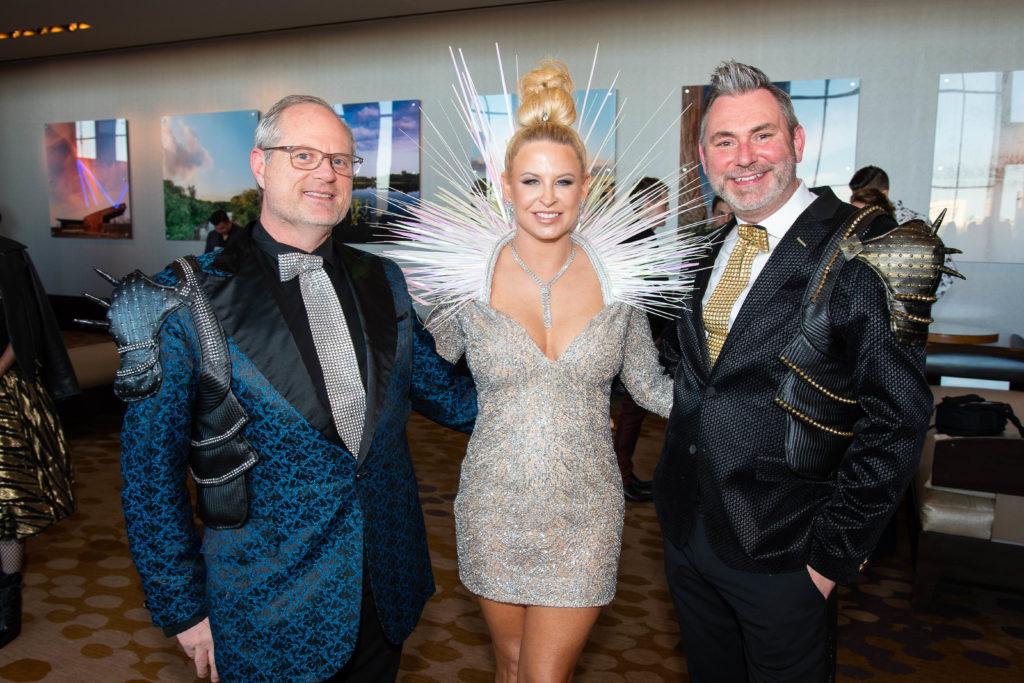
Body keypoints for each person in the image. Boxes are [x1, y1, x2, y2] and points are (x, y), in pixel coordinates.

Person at [113, 95, 477, 683]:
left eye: (340, 160)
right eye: (304, 154)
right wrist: (182, 606)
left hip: (384, 584)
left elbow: (446, 394)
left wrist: (559, 395)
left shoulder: (383, 278)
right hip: (262, 606)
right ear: (260, 165)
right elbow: (149, 478)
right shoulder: (185, 301)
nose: (326, 173)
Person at [393, 59, 701, 682]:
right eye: (531, 181)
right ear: (506, 185)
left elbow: (646, 386)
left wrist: (739, 406)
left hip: (586, 511)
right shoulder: (468, 283)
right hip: (492, 504)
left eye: (563, 182)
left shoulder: (619, 281)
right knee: (508, 665)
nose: (547, 197)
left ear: (586, 186)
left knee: (543, 676)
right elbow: (420, 369)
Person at [654, 61, 948, 681]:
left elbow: (897, 418)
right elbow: (698, 378)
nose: (744, 157)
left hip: (787, 554)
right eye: (724, 141)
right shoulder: (708, 252)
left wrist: (829, 559)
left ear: (797, 142)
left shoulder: (858, 252)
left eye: (762, 135)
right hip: (688, 533)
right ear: (704, 157)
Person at [0, 228, 78, 649]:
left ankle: (7, 601)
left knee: (8, 503)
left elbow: (23, 325)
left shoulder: (10, 257)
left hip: (6, 394)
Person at [613, 177, 672, 503]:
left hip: (644, 337)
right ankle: (620, 477)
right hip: (639, 340)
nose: (667, 208)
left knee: (633, 412)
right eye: (662, 201)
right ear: (643, 205)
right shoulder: (638, 240)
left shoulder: (641, 237)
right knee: (633, 412)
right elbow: (643, 300)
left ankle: (624, 473)